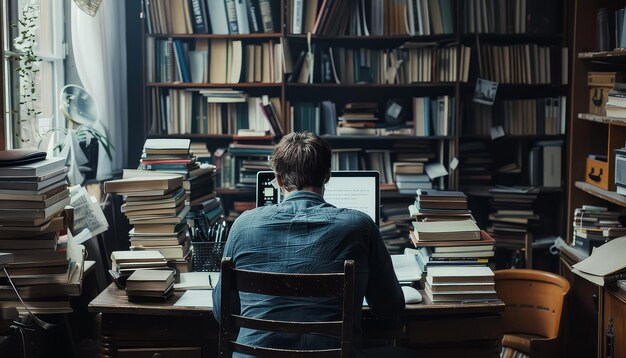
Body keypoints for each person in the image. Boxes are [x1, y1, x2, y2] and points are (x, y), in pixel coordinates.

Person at [213, 131, 406, 357]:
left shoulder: (242, 225)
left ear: (278, 179)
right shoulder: (360, 226)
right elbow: (389, 307)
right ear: (327, 176)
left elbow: (222, 311)